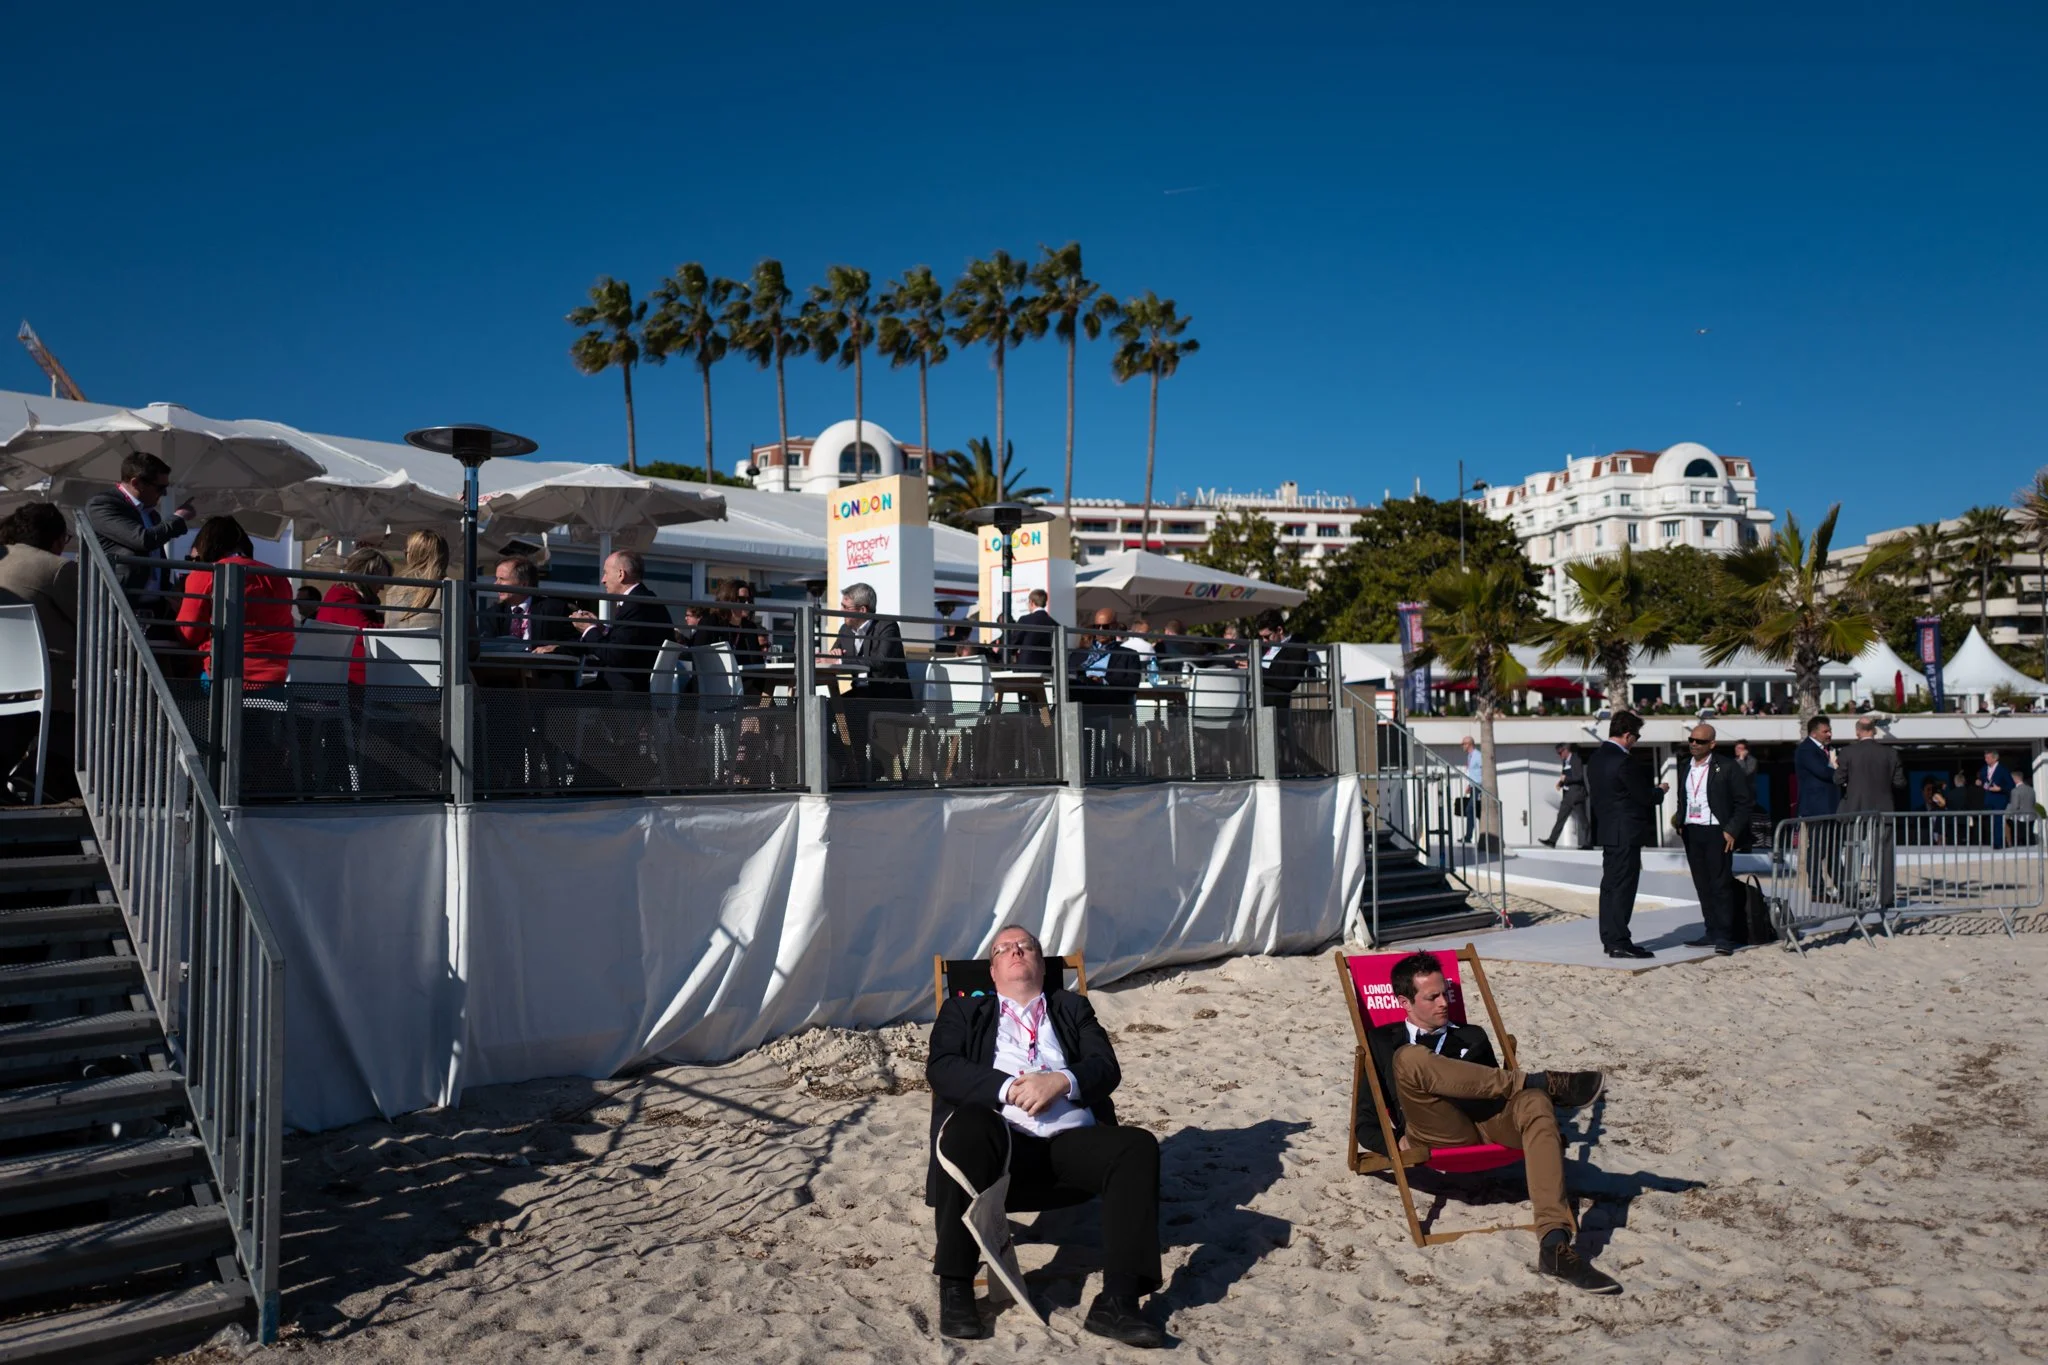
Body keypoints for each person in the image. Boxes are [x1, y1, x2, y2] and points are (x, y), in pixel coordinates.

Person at [926, 925, 1163, 1346]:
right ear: (993, 971)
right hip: (999, 1147)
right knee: (967, 1127)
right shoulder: (964, 1013)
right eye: (1004, 949)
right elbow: (942, 1068)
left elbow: (1105, 1066)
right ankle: (956, 1285)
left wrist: (1060, 1081)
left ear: (1040, 961)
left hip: (1070, 1147)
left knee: (1138, 1146)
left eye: (1026, 946)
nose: (1016, 951)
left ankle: (1119, 1302)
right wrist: (1007, 1089)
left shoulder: (1072, 1007)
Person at [1363, 953, 1616, 1294]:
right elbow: (1363, 1122)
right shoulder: (1379, 1043)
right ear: (1404, 1002)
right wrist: (1394, 1142)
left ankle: (1554, 1245)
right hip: (1435, 1131)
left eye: (1446, 994)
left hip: (1486, 1124)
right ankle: (1538, 1080)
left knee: (1535, 1103)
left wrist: (1520, 1099)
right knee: (1409, 1058)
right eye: (1432, 997)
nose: (1443, 1003)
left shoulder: (1472, 1036)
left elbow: (1491, 1094)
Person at [0, 503, 80, 803]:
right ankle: (44, 773)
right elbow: (95, 625)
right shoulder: (58, 568)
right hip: (46, 680)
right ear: (57, 538)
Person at [174, 517, 296, 689]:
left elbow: (189, 634)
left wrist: (178, 608)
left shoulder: (205, 574)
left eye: (193, 559)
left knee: (173, 683)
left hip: (221, 679)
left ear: (204, 547)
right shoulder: (278, 577)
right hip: (278, 679)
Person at [85, 452, 196, 628]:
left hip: (154, 613)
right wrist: (178, 518)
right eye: (160, 488)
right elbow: (143, 540)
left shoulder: (150, 514)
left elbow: (155, 559)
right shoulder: (103, 505)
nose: (164, 494)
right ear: (136, 483)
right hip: (119, 613)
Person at [1588, 711, 1667, 958]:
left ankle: (1609, 938)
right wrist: (1660, 790)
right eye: (1637, 737)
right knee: (1623, 887)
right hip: (1626, 832)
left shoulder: (1596, 758)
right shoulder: (1624, 761)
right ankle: (1620, 941)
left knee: (1610, 886)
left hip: (1608, 830)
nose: (1636, 742)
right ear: (1628, 735)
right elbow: (1643, 796)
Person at [1676, 724, 1755, 954]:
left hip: (1717, 832)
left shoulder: (1727, 767)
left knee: (1720, 885)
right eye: (1691, 739)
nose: (1693, 744)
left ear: (1712, 744)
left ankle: (1725, 937)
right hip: (1692, 831)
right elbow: (1684, 798)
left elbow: (1744, 801)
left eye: (1699, 741)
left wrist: (1731, 829)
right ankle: (1710, 931)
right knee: (1702, 884)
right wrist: (1681, 821)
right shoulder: (1684, 767)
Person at [566, 551, 676, 692]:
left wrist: (588, 629)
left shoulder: (637, 604)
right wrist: (600, 628)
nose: (603, 580)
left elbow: (614, 655)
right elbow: (626, 642)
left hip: (624, 693)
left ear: (621, 574)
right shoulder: (642, 600)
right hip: (626, 687)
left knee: (556, 701)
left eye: (606, 573)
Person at [316, 547, 391, 686]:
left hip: (350, 674)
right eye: (381, 580)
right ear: (367, 574)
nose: (382, 588)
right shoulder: (343, 595)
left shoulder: (345, 594)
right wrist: (394, 624)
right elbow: (365, 630)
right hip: (352, 679)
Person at [482, 556, 573, 647]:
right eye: (496, 578)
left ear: (524, 584)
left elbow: (575, 642)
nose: (495, 584)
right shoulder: (493, 614)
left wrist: (555, 647)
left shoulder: (553, 609)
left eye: (502, 579)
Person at [1067, 608, 1142, 704]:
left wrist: (1103, 681)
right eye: (1097, 626)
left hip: (1106, 697)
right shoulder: (1078, 654)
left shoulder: (1128, 655)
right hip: (1079, 694)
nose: (1101, 630)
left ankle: (1048, 717)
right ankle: (1046, 718)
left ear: (1115, 626)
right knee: (1044, 694)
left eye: (1105, 626)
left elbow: (1132, 684)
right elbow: (1069, 676)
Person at [381, 530, 448, 630]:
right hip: (436, 645)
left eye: (406, 552)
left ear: (412, 556)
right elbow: (469, 636)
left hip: (399, 645)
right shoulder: (451, 588)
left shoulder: (394, 591)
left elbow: (387, 631)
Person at [1253, 609, 1312, 708]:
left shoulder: (1296, 649)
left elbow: (1290, 681)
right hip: (1255, 705)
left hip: (1274, 708)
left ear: (1279, 630)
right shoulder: (1265, 646)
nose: (1264, 641)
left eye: (1267, 637)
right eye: (1262, 637)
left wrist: (1257, 671)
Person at [1539, 742, 1588, 848]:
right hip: (1567, 796)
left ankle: (1587, 843)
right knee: (1560, 818)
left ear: (1566, 750)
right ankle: (1552, 841)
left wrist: (1566, 779)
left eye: (1560, 752)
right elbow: (1565, 776)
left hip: (1576, 795)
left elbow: (1579, 777)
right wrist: (1560, 783)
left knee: (1583, 820)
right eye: (1558, 753)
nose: (1559, 755)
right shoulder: (1565, 761)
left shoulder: (1576, 759)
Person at [1004, 588, 1057, 670]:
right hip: (1048, 667)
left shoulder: (1025, 620)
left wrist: (1009, 653)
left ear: (1031, 602)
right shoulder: (1054, 623)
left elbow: (1014, 642)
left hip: (1027, 666)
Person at [1980, 749, 2013, 850]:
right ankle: (1991, 841)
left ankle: (1998, 843)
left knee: (1998, 820)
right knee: (1990, 821)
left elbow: (2011, 785)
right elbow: (1983, 781)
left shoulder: (2003, 769)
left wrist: (2000, 789)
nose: (1986, 760)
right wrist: (1981, 783)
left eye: (1988, 757)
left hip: (1999, 798)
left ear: (1995, 758)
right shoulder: (1984, 769)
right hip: (1988, 798)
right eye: (1985, 757)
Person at [1458, 736, 1483, 843]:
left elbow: (1484, 770)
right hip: (1473, 787)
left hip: (1479, 787)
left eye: (1463, 744)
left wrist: (1481, 786)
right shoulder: (1470, 756)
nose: (1462, 746)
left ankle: (1468, 837)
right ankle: (1469, 836)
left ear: (1469, 744)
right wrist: (1469, 785)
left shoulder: (1478, 755)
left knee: (1470, 810)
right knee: (1473, 811)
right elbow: (1472, 772)